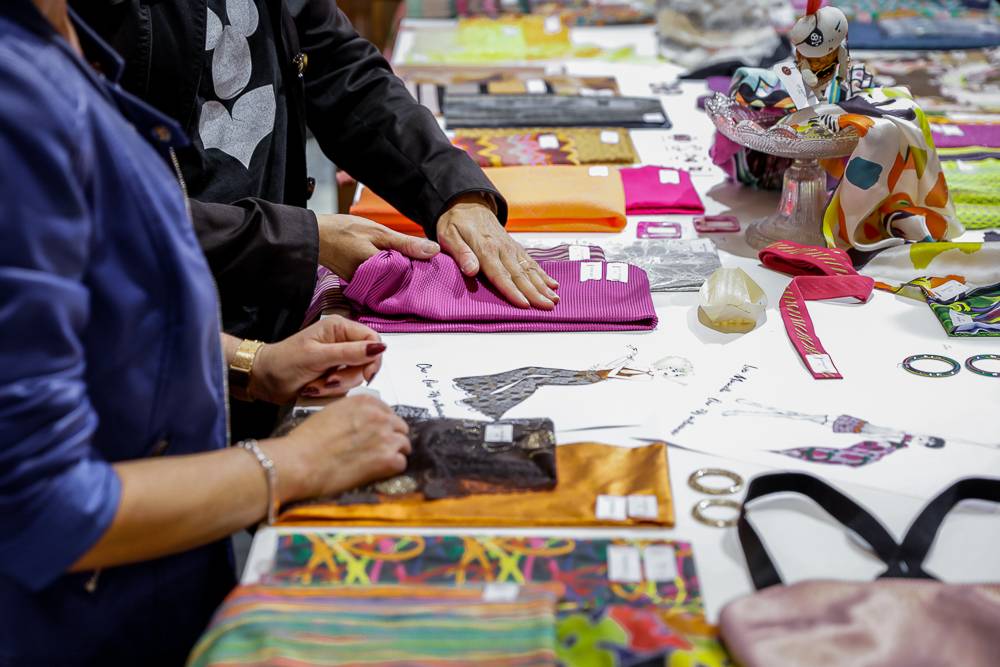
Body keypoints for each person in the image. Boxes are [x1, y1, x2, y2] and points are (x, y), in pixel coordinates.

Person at [0, 3, 410, 663]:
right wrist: (295, 463)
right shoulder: (15, 102)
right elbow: (40, 506)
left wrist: (256, 364)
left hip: (163, 587)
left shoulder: (55, 41)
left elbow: (101, 315)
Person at [72, 0, 561, 346]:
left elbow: (338, 69)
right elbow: (86, 211)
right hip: (153, 319)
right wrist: (298, 240)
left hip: (270, 304)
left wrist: (454, 192)